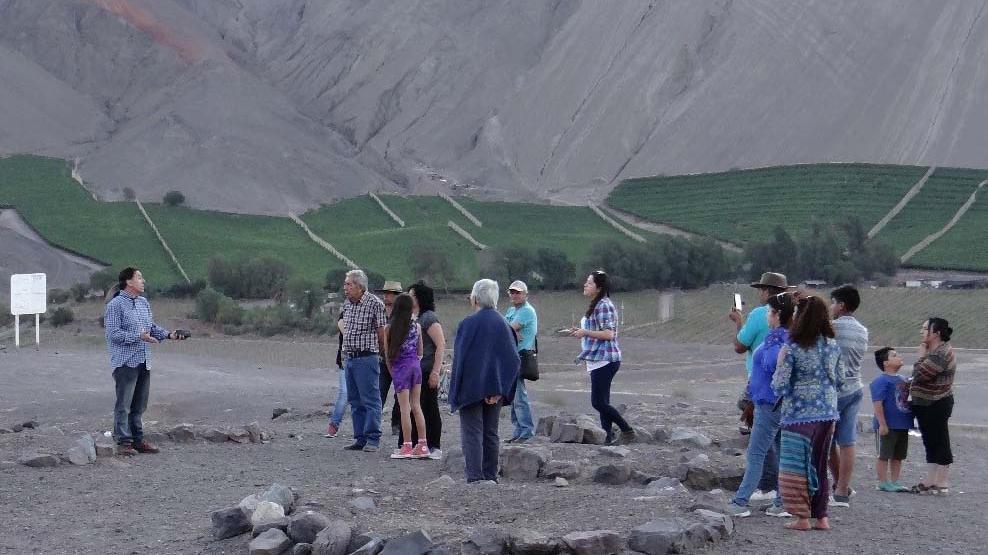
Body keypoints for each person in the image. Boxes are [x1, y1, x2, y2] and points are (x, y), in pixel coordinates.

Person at [772, 295, 843, 531]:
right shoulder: (832, 345)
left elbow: (780, 385)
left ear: (799, 317)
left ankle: (802, 517)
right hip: (828, 413)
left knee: (796, 467)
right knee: (819, 465)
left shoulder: (792, 347)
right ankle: (822, 516)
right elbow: (841, 379)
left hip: (798, 415)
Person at [104, 267, 188, 456]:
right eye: (139, 278)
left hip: (144, 360)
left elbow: (151, 328)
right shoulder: (115, 305)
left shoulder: (143, 303)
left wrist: (170, 335)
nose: (143, 281)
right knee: (124, 405)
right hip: (125, 361)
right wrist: (138, 336)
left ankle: (138, 440)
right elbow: (113, 334)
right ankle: (124, 442)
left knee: (139, 405)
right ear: (128, 282)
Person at [726, 292, 795, 518]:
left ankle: (740, 501)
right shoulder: (785, 338)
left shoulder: (778, 343)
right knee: (781, 451)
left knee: (756, 453)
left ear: (776, 315)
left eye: (769, 311)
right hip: (775, 403)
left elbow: (773, 368)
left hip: (769, 403)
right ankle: (782, 501)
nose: (767, 314)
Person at [449, 279, 520, 482]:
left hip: (471, 389)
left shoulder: (468, 324)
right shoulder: (504, 325)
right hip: (495, 390)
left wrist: (456, 392)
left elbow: (461, 360)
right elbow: (513, 360)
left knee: (472, 433)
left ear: (475, 298)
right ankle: (490, 475)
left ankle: (475, 476)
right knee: (491, 433)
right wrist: (501, 389)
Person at [570, 271, 636, 445]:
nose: (585, 285)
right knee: (603, 401)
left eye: (589, 283)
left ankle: (626, 430)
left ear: (598, 287)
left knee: (598, 402)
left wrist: (585, 332)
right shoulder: (597, 304)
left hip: (605, 358)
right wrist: (580, 332)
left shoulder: (604, 305)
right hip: (597, 358)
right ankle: (607, 437)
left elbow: (608, 334)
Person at [828, 284, 868, 507]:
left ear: (841, 305)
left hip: (836, 391)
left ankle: (836, 484)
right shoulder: (862, 330)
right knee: (847, 441)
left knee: (827, 442)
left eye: (833, 302)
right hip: (856, 388)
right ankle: (842, 488)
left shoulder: (833, 328)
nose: (831, 307)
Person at [339, 269, 388, 452]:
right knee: (355, 400)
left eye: (349, 284)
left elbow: (381, 331)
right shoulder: (347, 304)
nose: (345, 288)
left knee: (370, 399)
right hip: (350, 358)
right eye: (345, 284)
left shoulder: (375, 304)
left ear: (360, 286)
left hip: (367, 357)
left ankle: (373, 438)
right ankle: (359, 437)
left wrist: (382, 353)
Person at [909, 317, 956, 495]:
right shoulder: (933, 350)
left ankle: (942, 482)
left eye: (925, 328)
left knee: (940, 440)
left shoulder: (941, 353)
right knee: (929, 441)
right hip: (925, 403)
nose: (921, 331)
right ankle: (930, 479)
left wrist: (920, 357)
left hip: (936, 402)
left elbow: (921, 374)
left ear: (935, 333)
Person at [384, 294, 429, 459]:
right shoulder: (416, 326)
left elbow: (388, 355)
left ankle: (407, 445)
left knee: (404, 408)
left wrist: (393, 373)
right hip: (415, 366)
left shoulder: (390, 328)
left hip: (400, 367)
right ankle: (423, 444)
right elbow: (421, 352)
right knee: (416, 405)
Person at [408, 281, 446, 460]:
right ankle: (419, 443)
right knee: (417, 407)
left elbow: (440, 344)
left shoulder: (429, 318)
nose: (409, 298)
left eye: (412, 295)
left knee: (430, 407)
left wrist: (435, 372)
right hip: (415, 370)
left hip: (427, 369)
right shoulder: (414, 317)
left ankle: (434, 446)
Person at [870, 347, 912, 492]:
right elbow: (877, 403)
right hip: (887, 425)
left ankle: (895, 481)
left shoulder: (904, 380)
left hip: (902, 425)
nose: (899, 356)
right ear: (886, 363)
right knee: (884, 454)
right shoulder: (880, 381)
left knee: (898, 455)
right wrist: (882, 424)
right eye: (894, 355)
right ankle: (882, 481)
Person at [504, 280, 537, 443]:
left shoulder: (526, 311)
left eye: (518, 292)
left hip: (520, 356)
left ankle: (526, 431)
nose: (515, 295)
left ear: (525, 294)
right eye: (513, 292)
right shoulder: (512, 310)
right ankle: (519, 430)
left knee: (519, 395)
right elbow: (505, 328)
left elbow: (506, 329)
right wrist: (510, 331)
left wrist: (509, 330)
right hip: (511, 356)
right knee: (513, 395)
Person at [375, 280, 404, 437]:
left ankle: (396, 424)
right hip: (381, 359)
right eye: (385, 293)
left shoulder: (402, 315)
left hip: (398, 360)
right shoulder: (379, 311)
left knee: (399, 395)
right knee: (379, 392)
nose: (386, 296)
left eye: (389, 293)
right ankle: (374, 424)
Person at [325, 313, 349, 438]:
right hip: (345, 359)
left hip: (363, 360)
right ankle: (334, 425)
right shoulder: (345, 312)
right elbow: (341, 325)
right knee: (344, 393)